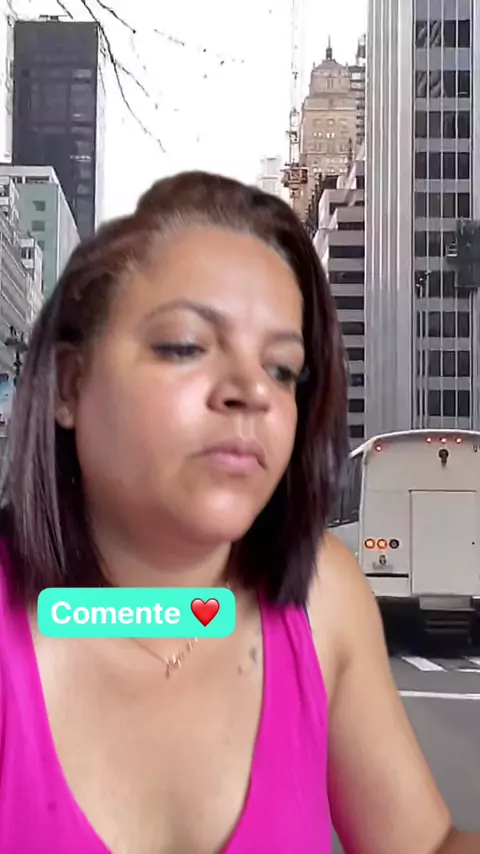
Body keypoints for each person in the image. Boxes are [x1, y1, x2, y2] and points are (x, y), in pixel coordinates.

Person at [0, 171, 477, 854]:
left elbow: (426, 845)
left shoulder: (323, 597)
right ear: (69, 385)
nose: (252, 391)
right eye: (186, 346)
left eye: (282, 369)